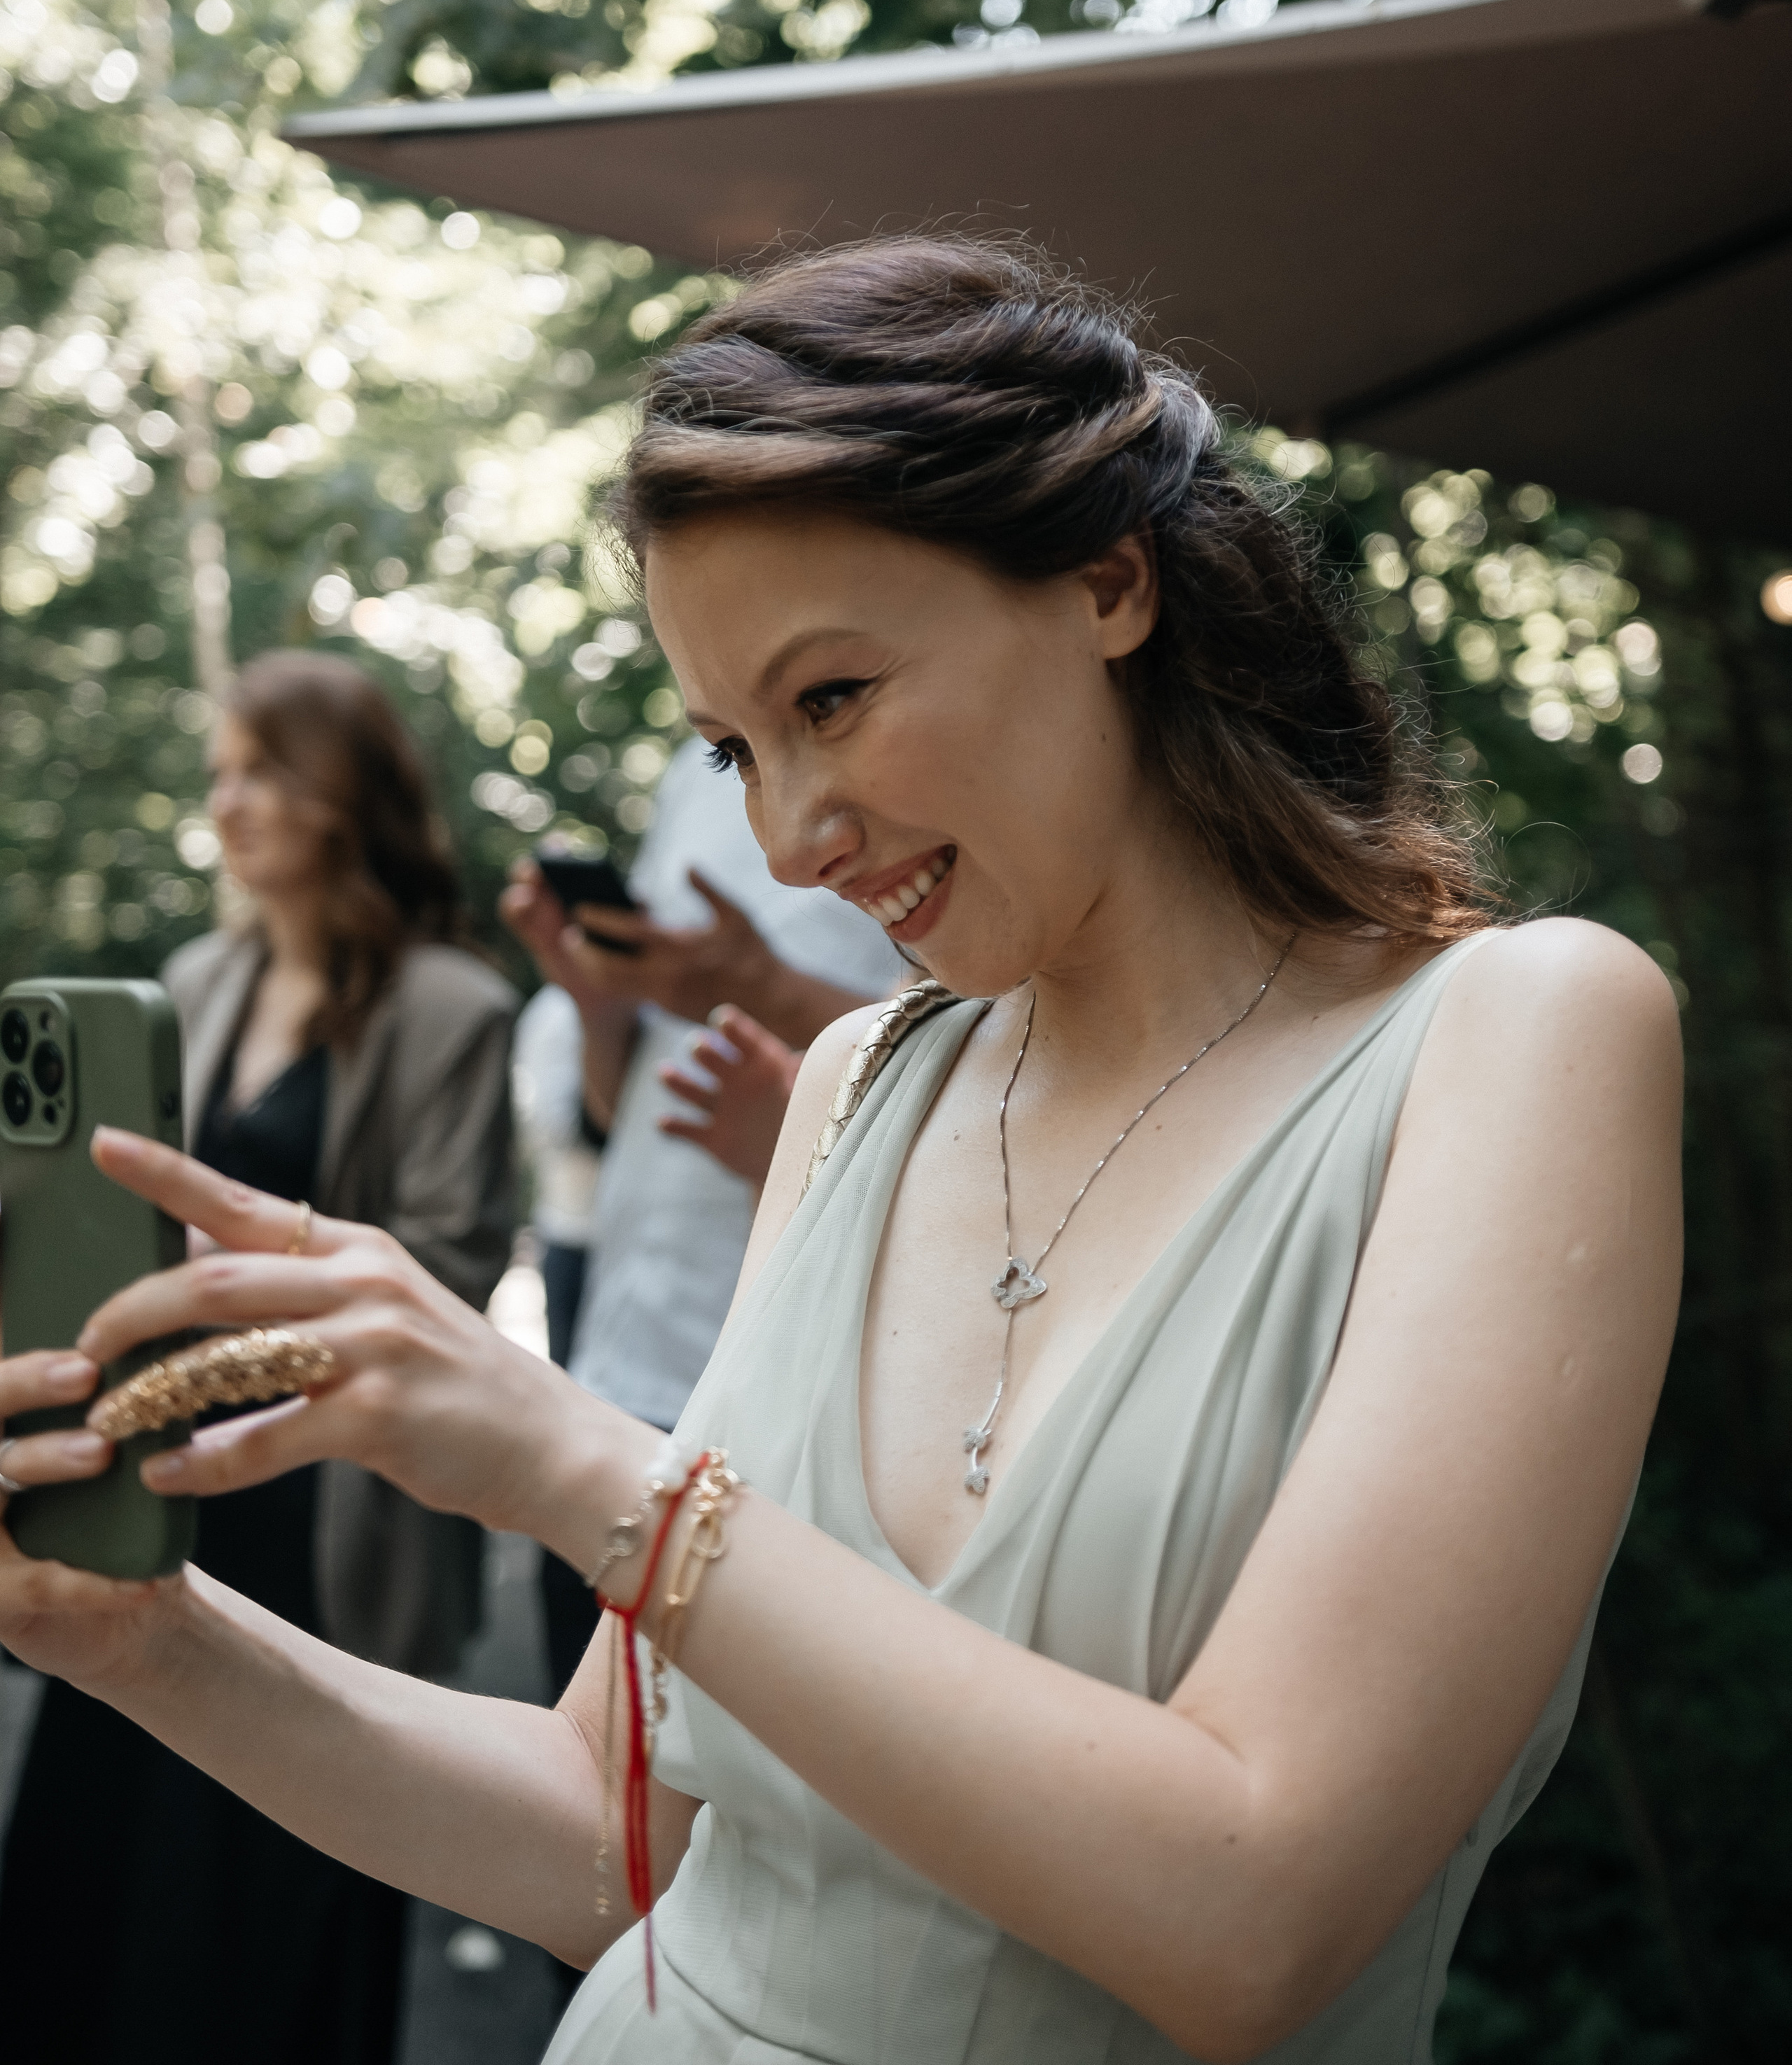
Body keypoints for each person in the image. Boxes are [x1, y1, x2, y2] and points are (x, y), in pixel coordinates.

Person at [0, 238, 1681, 2065]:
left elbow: (1251, 1921)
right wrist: (138, 1641)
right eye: (733, 749)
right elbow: (607, 1839)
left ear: (1109, 580)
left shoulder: (1521, 1036)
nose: (793, 842)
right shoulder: (861, 1080)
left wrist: (588, 1472)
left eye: (830, 701)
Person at [0, 649, 516, 2065]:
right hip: (162, 1468)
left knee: (272, 1908)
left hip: (326, 1492)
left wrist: (212, 1295)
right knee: (95, 1875)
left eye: (259, 768)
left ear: (344, 795)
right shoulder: (189, 978)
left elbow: (451, 1264)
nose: (226, 800)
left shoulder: (451, 1007)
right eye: (217, 769)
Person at [505, 739, 902, 1695]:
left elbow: (996, 1049)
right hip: (620, 1355)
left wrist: (794, 1127)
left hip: (785, 1407)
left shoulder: (918, 749)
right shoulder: (695, 770)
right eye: (732, 746)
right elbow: (614, 1108)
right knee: (588, 1760)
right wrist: (601, 1007)